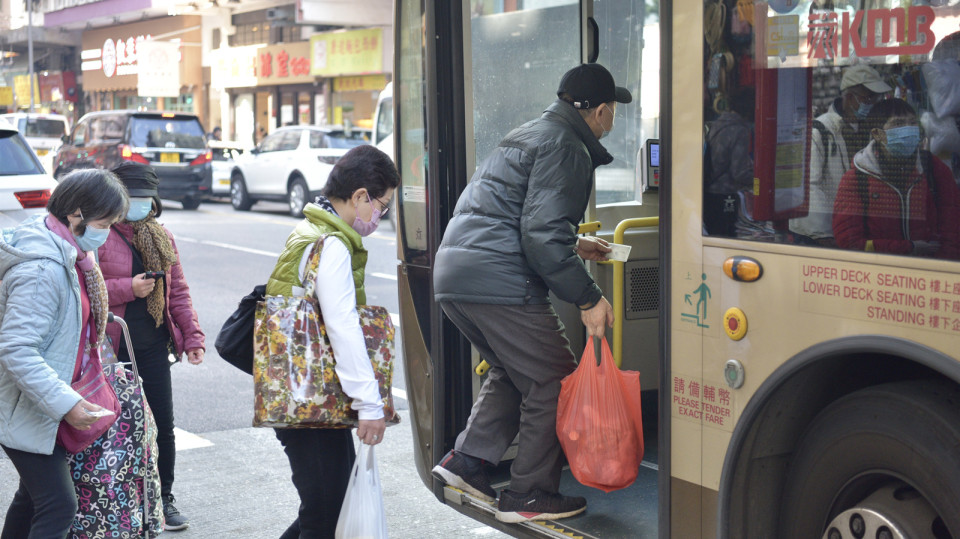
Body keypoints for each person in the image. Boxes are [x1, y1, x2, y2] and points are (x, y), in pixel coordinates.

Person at [430, 63, 629, 523]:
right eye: (612, 109)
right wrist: (588, 297)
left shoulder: (531, 133)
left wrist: (576, 243)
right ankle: (530, 495)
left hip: (456, 273)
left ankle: (468, 463)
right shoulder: (568, 146)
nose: (612, 117)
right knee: (557, 379)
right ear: (601, 112)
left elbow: (515, 216)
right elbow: (539, 238)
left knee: (513, 369)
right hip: (500, 280)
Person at [265, 144, 399, 539]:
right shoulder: (333, 246)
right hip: (313, 402)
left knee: (326, 506)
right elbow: (343, 329)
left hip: (299, 393)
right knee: (325, 512)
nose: (380, 216)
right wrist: (369, 404)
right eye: (382, 206)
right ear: (360, 197)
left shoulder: (308, 230)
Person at [0, 169, 128, 538]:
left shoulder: (70, 255)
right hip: (26, 405)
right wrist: (66, 403)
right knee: (58, 504)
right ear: (75, 215)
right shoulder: (44, 269)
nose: (106, 233)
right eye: (104, 222)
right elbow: (17, 350)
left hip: (42, 402)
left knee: (33, 499)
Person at [97, 162, 206, 531]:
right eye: (133, 198)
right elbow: (85, 292)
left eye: (146, 199)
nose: (140, 205)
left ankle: (164, 499)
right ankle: (117, 501)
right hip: (111, 347)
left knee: (162, 424)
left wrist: (192, 337)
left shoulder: (162, 237)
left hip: (153, 346)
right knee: (112, 427)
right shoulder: (99, 234)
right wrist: (130, 287)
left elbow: (178, 291)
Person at [833, 98, 960, 259]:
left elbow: (953, 227)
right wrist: (908, 248)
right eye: (898, 124)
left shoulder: (933, 169)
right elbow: (848, 240)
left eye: (912, 123)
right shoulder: (857, 179)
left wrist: (943, 263)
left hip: (929, 270)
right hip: (881, 272)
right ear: (877, 134)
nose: (908, 129)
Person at [791, 64, 892, 246]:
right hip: (817, 236)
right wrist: (825, 234)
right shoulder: (819, 131)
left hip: (851, 231)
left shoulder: (871, 130)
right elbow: (810, 186)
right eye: (867, 97)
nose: (872, 103)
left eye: (876, 98)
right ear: (848, 97)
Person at [704, 87, 755, 236]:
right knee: (726, 238)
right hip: (724, 194)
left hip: (709, 193)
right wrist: (761, 179)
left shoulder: (718, 124)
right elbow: (739, 172)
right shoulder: (739, 130)